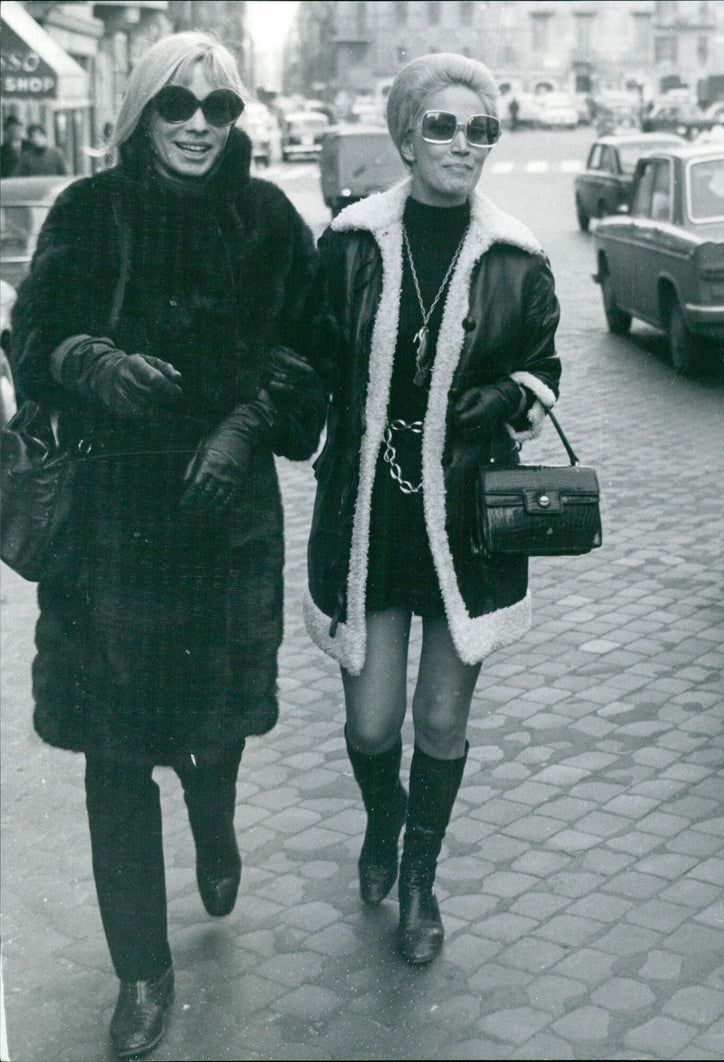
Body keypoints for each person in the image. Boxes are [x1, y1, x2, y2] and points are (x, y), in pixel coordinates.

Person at [9, 32, 325, 1060]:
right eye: (176, 104)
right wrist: (85, 360)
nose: (197, 122)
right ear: (141, 113)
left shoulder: (271, 219)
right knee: (113, 754)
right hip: (109, 530)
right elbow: (31, 335)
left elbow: (309, 351)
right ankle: (142, 972)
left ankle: (215, 811)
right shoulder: (86, 212)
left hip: (222, 527)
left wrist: (246, 426)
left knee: (213, 727)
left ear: (240, 117)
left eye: (218, 106)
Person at [305, 53, 561, 966]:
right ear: (407, 135)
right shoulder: (350, 245)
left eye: (481, 127)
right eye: (444, 126)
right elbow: (307, 359)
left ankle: (419, 880)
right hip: (370, 517)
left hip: (465, 527)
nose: (464, 143)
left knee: (441, 723)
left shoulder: (520, 262)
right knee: (373, 724)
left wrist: (507, 399)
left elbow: (545, 371)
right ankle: (385, 822)